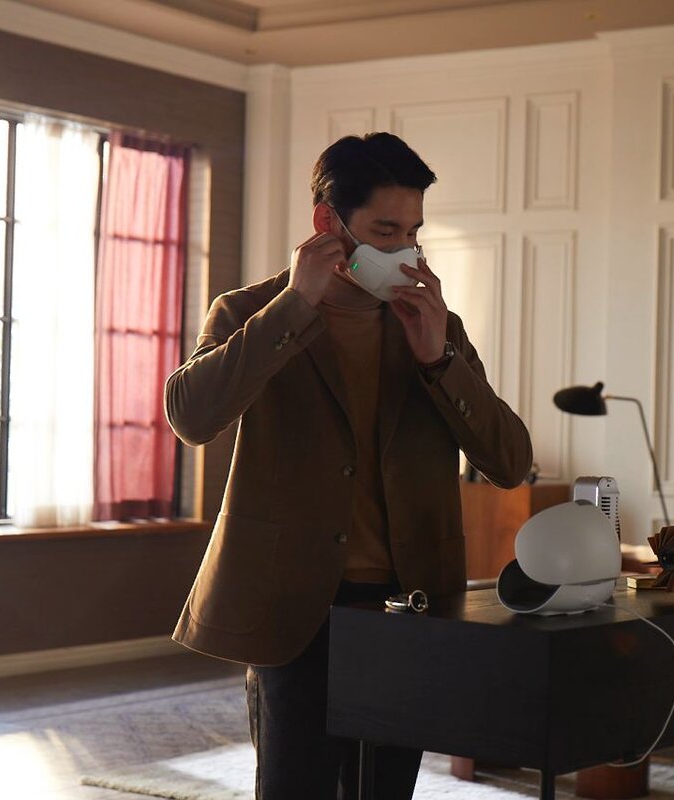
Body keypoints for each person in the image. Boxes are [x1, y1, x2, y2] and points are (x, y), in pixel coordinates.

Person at [165, 132, 533, 799]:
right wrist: (293, 306)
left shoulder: (437, 326)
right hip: (294, 611)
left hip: (410, 608)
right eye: (385, 231)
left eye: (414, 232)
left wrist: (438, 359)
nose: (405, 250)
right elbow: (191, 418)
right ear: (327, 223)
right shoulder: (248, 312)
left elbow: (511, 463)